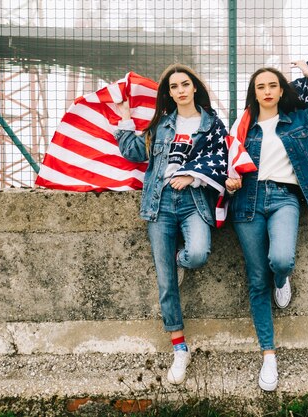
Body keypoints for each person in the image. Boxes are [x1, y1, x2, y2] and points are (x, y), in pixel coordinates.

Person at [225, 61, 308, 391]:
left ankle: (283, 278)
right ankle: (268, 354)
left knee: (281, 260)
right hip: (247, 201)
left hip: (284, 198)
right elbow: (227, 166)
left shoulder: (303, 119)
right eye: (260, 87)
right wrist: (231, 182)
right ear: (254, 93)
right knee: (255, 280)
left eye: (272, 86)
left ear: (282, 90)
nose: (266, 91)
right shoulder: (241, 130)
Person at [114, 64, 227, 385]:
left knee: (198, 254)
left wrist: (192, 175)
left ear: (194, 88)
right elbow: (135, 152)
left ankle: (175, 257)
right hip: (160, 204)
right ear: (170, 93)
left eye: (184, 84)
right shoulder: (162, 125)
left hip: (193, 203)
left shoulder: (211, 124)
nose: (179, 90)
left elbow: (222, 158)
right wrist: (124, 118)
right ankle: (180, 348)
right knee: (167, 284)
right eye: (174, 86)